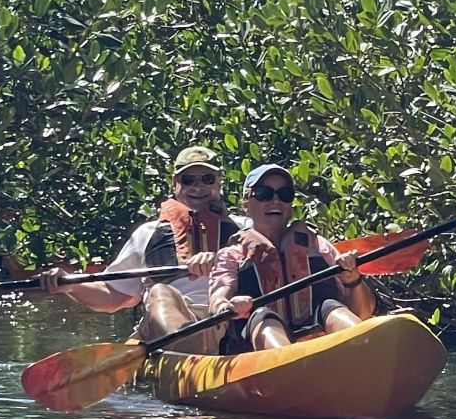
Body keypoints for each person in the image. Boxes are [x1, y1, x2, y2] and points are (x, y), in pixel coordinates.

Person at [38, 146, 248, 354]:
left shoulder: (246, 228)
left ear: (220, 182)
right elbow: (114, 296)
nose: (198, 187)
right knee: (160, 291)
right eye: (188, 180)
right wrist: (70, 284)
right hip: (170, 323)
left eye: (207, 179)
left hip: (229, 317)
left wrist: (221, 260)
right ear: (175, 184)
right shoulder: (147, 233)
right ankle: (188, 358)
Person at [208, 163, 376, 352]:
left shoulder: (318, 245)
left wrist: (353, 280)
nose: (275, 201)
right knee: (264, 317)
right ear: (246, 203)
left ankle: (365, 347)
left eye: (284, 194)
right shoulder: (232, 254)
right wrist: (226, 307)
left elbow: (364, 312)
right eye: (264, 194)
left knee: (331, 306)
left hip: (320, 334)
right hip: (257, 344)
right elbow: (219, 296)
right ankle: (285, 362)